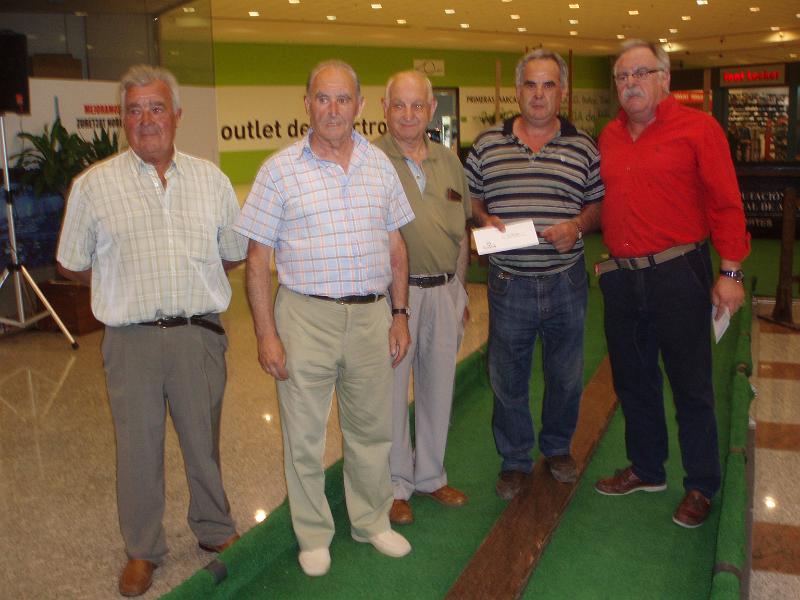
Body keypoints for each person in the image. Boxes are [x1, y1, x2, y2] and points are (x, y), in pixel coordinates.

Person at [56, 65, 244, 597]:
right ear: (123, 119)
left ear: (177, 115)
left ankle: (214, 527)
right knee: (137, 450)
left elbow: (232, 252)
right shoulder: (93, 186)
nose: (146, 120)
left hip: (197, 336)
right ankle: (143, 549)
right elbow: (70, 262)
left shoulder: (211, 181)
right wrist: (118, 284)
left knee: (203, 441)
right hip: (130, 341)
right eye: (134, 110)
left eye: (156, 108)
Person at [234, 60, 415, 577]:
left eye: (342, 99)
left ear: (360, 105)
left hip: (371, 317)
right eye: (322, 98)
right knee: (304, 437)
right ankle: (313, 535)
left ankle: (371, 520)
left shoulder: (380, 166)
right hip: (304, 318)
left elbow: (396, 247)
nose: (332, 109)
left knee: (372, 430)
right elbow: (257, 260)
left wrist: (399, 315)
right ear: (307, 104)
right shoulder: (278, 170)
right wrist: (266, 334)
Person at [593, 40, 750, 528]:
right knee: (633, 381)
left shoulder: (699, 129)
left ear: (664, 78)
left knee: (691, 385)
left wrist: (731, 272)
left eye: (641, 73)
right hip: (623, 278)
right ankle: (647, 468)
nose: (631, 84)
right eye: (622, 76)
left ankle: (701, 484)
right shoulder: (609, 136)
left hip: (680, 273)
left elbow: (726, 202)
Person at [465, 49, 603, 500]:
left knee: (566, 375)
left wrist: (577, 227)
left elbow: (596, 204)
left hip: (566, 280)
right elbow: (472, 199)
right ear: (517, 90)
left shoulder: (584, 147)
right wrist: (483, 219)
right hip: (509, 282)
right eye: (530, 84)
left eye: (548, 85)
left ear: (562, 92)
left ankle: (558, 447)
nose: (539, 94)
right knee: (507, 376)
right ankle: (514, 459)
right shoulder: (487, 145)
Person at [374, 71, 472, 526]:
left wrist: (460, 292)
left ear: (432, 110)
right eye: (399, 105)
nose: (409, 115)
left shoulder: (450, 161)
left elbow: (462, 233)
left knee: (438, 388)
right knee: (393, 393)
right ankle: (397, 485)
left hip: (444, 291)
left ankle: (431, 476)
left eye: (418, 106)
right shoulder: (370, 161)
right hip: (395, 297)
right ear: (384, 108)